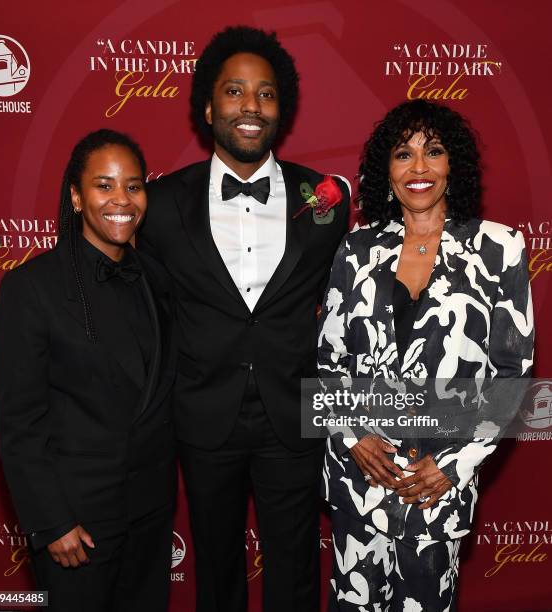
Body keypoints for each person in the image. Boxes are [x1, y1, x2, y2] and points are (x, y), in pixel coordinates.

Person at [138, 26, 350, 612]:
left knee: (298, 570)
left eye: (266, 94)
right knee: (218, 569)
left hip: (295, 410)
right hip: (204, 413)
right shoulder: (162, 204)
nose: (250, 107)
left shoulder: (326, 197)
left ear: (282, 109)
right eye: (235, 92)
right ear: (209, 106)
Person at [317, 99, 534, 611]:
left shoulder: (498, 248)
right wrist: (352, 437)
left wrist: (455, 465)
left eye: (433, 152)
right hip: (359, 480)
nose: (418, 168)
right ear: (384, 170)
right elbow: (327, 362)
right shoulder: (355, 248)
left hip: (438, 484)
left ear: (452, 164)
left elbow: (514, 376)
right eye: (402, 154)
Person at [0, 129, 176, 612]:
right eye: (105, 185)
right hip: (77, 524)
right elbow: (19, 423)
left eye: (134, 186)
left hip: (150, 517)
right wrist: (51, 522)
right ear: (76, 196)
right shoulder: (30, 288)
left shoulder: (155, 277)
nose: (122, 200)